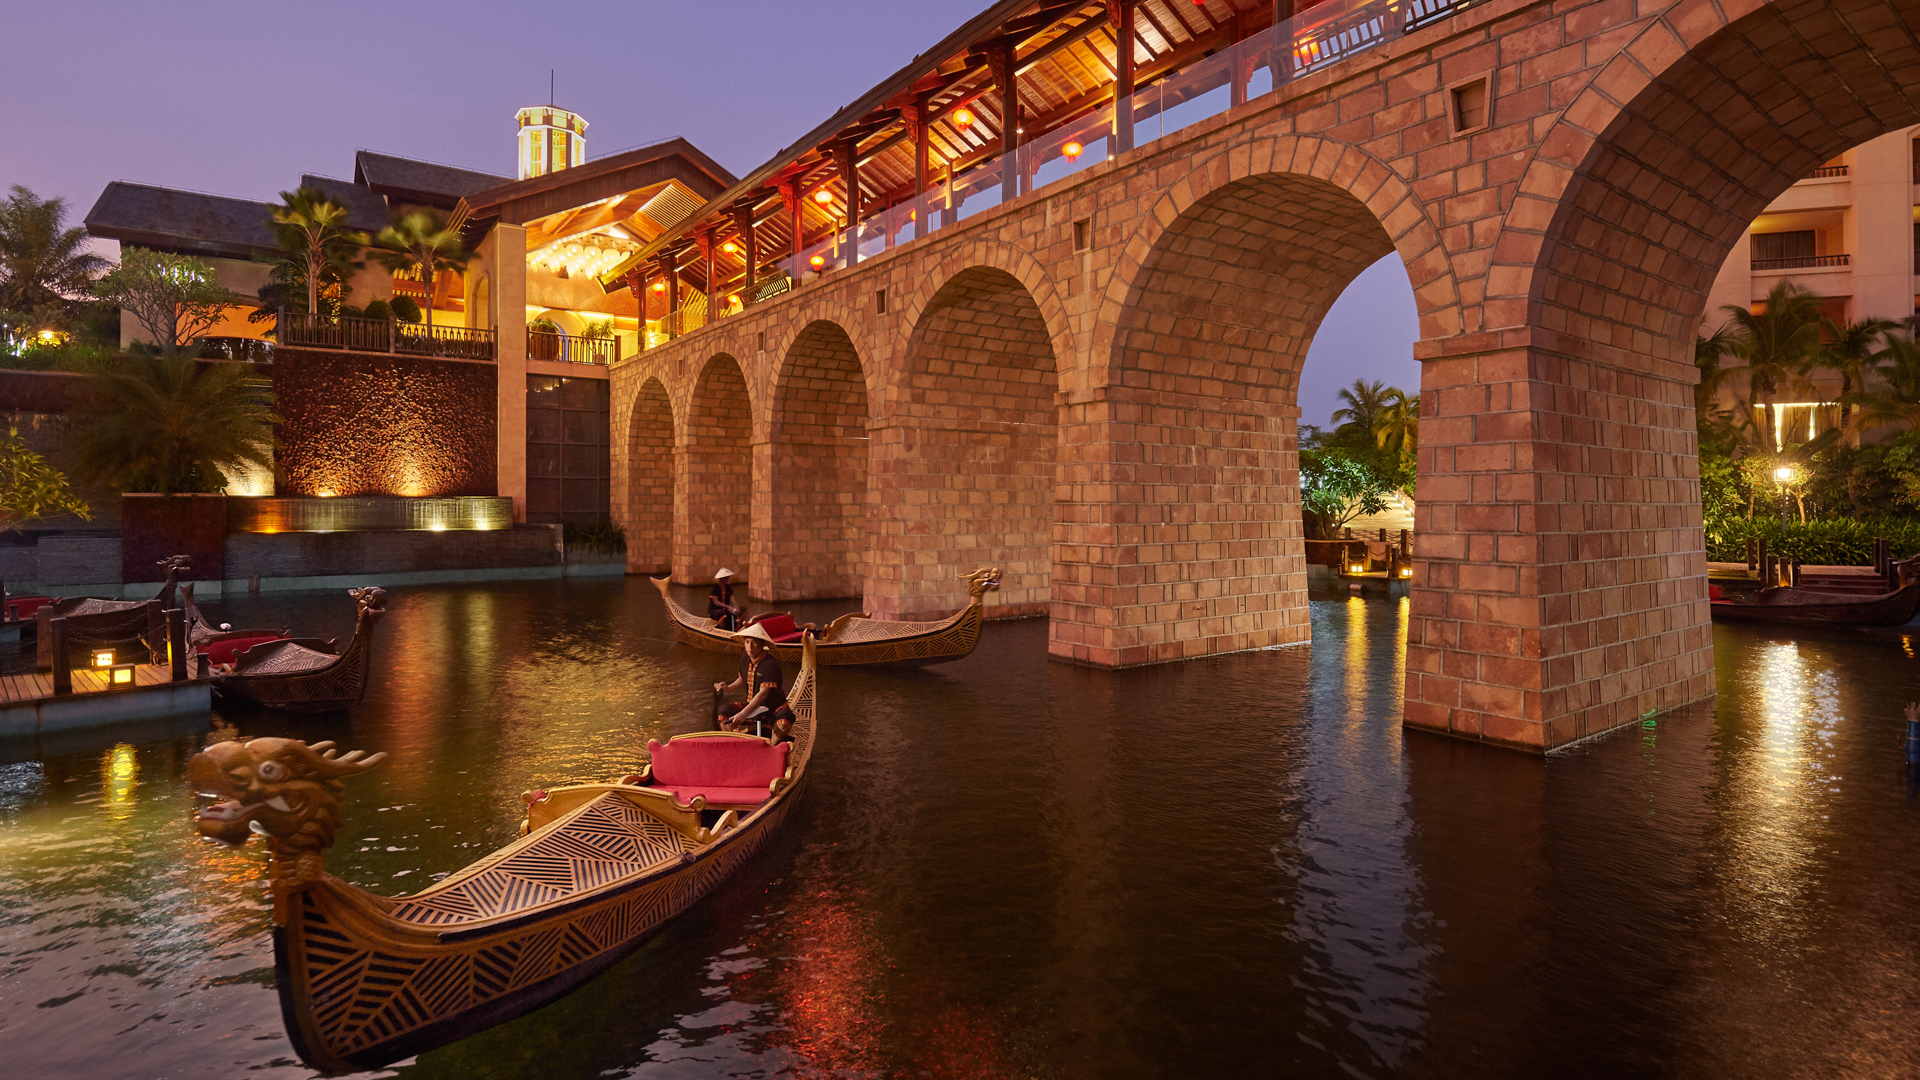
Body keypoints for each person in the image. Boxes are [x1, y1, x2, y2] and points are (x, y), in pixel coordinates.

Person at [714, 624, 795, 742]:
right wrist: (728, 688)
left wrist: (743, 713)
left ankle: (772, 747)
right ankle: (736, 743)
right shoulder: (744, 660)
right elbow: (742, 680)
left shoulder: (771, 664)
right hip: (752, 705)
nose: (750, 647)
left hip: (773, 707)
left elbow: (763, 694)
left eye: (754, 643)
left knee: (784, 722)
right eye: (747, 642)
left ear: (762, 644)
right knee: (723, 714)